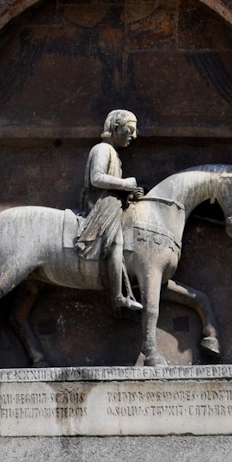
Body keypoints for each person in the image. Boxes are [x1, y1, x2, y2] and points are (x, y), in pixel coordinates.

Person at [75, 109, 145, 313]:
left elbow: (112, 187)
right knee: (116, 242)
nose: (134, 136)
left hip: (111, 205)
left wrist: (129, 193)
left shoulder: (114, 154)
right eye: (130, 129)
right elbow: (96, 178)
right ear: (116, 127)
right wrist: (125, 184)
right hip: (99, 207)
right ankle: (117, 296)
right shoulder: (102, 149)